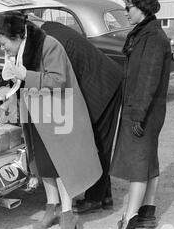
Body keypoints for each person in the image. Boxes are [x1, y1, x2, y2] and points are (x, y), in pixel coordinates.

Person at [0, 11, 103, 229]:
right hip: (38, 113)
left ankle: (68, 214)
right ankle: (51, 207)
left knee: (61, 165)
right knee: (43, 163)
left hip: (58, 113)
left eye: (3, 44)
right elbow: (20, 84)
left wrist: (25, 74)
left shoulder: (49, 45)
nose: (3, 50)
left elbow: (58, 80)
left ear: (17, 36)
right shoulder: (21, 51)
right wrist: (10, 96)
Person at [34, 19, 124, 213]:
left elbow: (57, 81)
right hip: (102, 77)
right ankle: (104, 195)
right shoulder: (50, 27)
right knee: (100, 141)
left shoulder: (46, 44)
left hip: (103, 85)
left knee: (98, 142)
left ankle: (95, 199)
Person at [109, 0, 172, 229]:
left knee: (137, 163)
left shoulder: (153, 37)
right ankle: (147, 211)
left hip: (143, 110)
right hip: (145, 108)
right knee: (147, 158)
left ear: (142, 5)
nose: (126, 11)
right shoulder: (146, 32)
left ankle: (130, 219)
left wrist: (137, 115)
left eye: (129, 6)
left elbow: (148, 79)